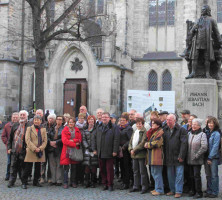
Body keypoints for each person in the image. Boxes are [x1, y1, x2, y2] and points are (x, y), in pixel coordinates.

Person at [187, 5, 222, 79]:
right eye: (201, 10)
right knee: (194, 57)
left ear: (207, 11)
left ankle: (207, 73)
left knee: (207, 58)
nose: (202, 11)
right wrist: (194, 30)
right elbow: (191, 31)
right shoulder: (198, 20)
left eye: (203, 10)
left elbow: (217, 33)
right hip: (197, 42)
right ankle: (193, 72)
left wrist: (220, 41)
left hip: (207, 42)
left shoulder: (211, 20)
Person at [92, 112, 120, 192]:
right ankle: (104, 183)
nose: (104, 118)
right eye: (103, 117)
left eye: (106, 117)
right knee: (102, 169)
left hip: (109, 152)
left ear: (109, 118)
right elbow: (94, 138)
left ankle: (110, 184)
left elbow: (116, 140)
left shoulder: (114, 127)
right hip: (100, 152)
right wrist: (94, 149)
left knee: (109, 170)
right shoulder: (98, 127)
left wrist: (115, 150)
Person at [164, 114, 188, 198]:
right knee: (170, 175)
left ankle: (178, 191)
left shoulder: (181, 130)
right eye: (167, 120)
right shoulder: (165, 129)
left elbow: (184, 144)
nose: (168, 121)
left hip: (178, 156)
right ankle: (172, 190)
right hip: (169, 156)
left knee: (179, 175)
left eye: (169, 120)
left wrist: (181, 155)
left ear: (174, 120)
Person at [22, 115, 48, 189]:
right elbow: (27, 140)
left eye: (38, 120)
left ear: (40, 121)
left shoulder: (43, 129)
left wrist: (40, 148)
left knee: (38, 167)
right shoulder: (29, 129)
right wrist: (34, 148)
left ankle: (36, 181)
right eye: (35, 120)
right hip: (31, 150)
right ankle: (24, 182)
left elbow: (45, 141)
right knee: (28, 167)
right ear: (33, 121)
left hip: (40, 151)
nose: (36, 121)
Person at [7, 110, 29, 188]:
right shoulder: (15, 125)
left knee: (24, 168)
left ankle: (24, 183)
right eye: (21, 115)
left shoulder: (29, 125)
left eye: (24, 115)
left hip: (24, 150)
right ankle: (11, 182)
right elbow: (10, 138)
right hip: (14, 150)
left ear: (27, 116)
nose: (22, 116)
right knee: (13, 167)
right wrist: (9, 148)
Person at [187, 118, 208, 198]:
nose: (193, 126)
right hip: (189, 159)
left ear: (199, 126)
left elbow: (204, 147)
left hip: (197, 160)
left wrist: (196, 155)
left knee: (196, 176)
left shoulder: (202, 134)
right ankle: (192, 190)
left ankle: (199, 192)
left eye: (195, 124)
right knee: (191, 176)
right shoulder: (189, 134)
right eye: (192, 124)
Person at [128, 117, 149, 194]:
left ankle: (144, 186)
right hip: (134, 155)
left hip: (141, 154)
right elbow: (130, 142)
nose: (138, 125)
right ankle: (136, 186)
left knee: (142, 172)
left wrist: (134, 150)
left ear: (143, 124)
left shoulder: (145, 132)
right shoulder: (135, 131)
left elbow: (143, 143)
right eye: (137, 124)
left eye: (140, 124)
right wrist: (130, 149)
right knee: (135, 171)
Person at [60, 117, 82, 189]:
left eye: (72, 122)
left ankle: (73, 181)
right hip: (67, 150)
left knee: (74, 167)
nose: (71, 123)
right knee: (66, 167)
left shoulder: (77, 130)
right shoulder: (64, 130)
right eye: (69, 122)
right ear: (68, 123)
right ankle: (65, 182)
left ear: (74, 123)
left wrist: (73, 141)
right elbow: (64, 141)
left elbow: (79, 140)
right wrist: (74, 143)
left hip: (75, 150)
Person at [144, 119, 164, 196]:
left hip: (157, 156)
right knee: (153, 173)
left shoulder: (160, 132)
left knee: (157, 173)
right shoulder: (153, 132)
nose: (152, 125)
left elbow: (158, 143)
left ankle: (159, 189)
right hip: (152, 156)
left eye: (154, 123)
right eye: (152, 123)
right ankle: (157, 188)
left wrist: (147, 145)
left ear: (158, 125)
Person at [204, 117, 221, 198]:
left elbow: (215, 147)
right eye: (209, 123)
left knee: (214, 175)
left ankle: (214, 192)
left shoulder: (216, 133)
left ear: (215, 124)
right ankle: (209, 190)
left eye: (212, 123)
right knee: (208, 175)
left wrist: (210, 157)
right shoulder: (207, 132)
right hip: (206, 157)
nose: (210, 124)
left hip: (213, 157)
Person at [1, 112, 19, 181]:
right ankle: (8, 175)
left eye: (16, 117)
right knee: (9, 162)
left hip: (18, 147)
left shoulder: (21, 125)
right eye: (14, 117)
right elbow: (3, 136)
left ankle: (19, 176)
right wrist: (7, 143)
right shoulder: (7, 125)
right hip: (10, 147)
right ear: (11, 118)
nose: (15, 119)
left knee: (19, 162)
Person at [47, 115, 64, 186]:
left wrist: (56, 142)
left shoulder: (64, 129)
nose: (59, 121)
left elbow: (64, 138)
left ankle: (59, 180)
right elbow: (47, 136)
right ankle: (53, 179)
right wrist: (50, 142)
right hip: (51, 148)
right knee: (52, 164)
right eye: (57, 119)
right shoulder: (52, 128)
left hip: (59, 148)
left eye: (60, 119)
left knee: (59, 165)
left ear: (62, 121)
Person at [82, 115, 98, 188]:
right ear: (87, 121)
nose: (91, 121)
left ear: (94, 121)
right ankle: (86, 181)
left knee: (93, 167)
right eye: (89, 120)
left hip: (94, 150)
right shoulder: (85, 130)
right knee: (87, 166)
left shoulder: (97, 130)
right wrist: (87, 147)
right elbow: (83, 139)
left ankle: (93, 181)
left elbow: (98, 140)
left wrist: (95, 149)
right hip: (87, 150)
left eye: (92, 120)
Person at [118, 112, 133, 190]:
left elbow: (130, 139)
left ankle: (127, 182)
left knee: (126, 166)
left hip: (126, 150)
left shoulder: (129, 128)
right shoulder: (119, 128)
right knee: (122, 166)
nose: (122, 121)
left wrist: (124, 146)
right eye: (121, 120)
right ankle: (123, 181)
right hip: (120, 150)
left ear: (127, 121)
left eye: (123, 120)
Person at [40, 114, 56, 184]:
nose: (50, 120)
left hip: (51, 148)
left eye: (52, 119)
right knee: (43, 163)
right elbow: (42, 136)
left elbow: (54, 136)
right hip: (44, 147)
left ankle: (49, 177)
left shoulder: (55, 127)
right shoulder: (43, 126)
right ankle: (42, 177)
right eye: (49, 118)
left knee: (50, 163)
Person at [75, 113, 86, 185]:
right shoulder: (75, 126)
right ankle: (77, 178)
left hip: (84, 147)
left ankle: (82, 178)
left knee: (83, 163)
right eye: (79, 118)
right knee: (77, 163)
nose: (81, 119)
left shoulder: (86, 126)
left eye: (82, 118)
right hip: (77, 146)